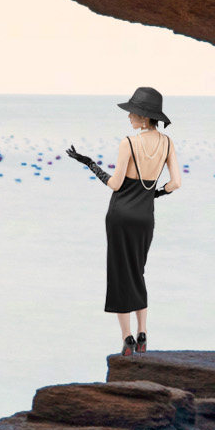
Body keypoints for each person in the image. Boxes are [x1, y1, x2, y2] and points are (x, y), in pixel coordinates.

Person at [65, 87, 179, 356]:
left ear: (142, 116)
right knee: (137, 273)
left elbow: (115, 184)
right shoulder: (168, 143)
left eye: (131, 112)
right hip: (144, 218)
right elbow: (176, 183)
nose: (128, 117)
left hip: (119, 216)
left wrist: (90, 164)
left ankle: (127, 338)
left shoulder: (128, 142)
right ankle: (143, 333)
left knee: (120, 275)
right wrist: (153, 195)